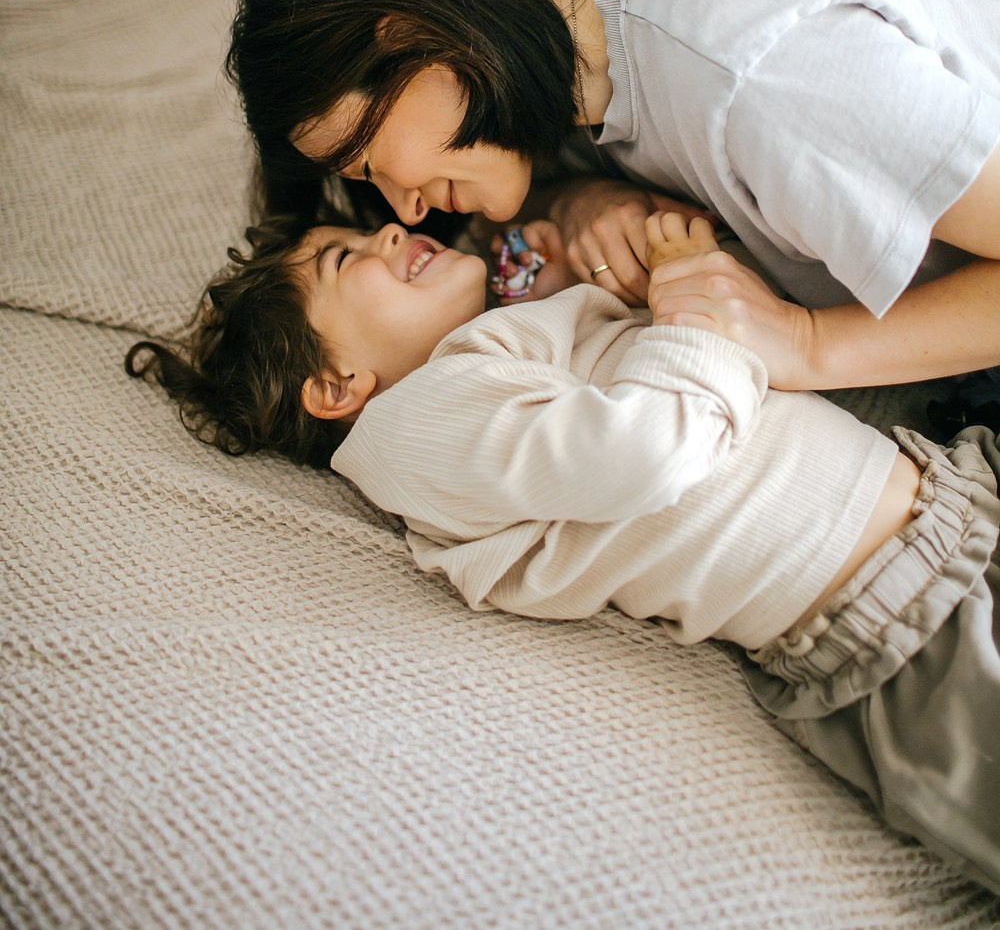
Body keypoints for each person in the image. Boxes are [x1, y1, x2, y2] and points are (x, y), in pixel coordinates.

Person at [127, 210, 1000, 896]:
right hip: (907, 627)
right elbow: (649, 449)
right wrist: (691, 303)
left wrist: (573, 283)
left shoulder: (482, 357)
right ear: (335, 386)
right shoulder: (414, 427)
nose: (387, 229)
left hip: (951, 506)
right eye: (343, 258)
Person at [225, 0, 1000, 395]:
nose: (403, 209)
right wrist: (582, 199)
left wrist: (808, 344)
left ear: (407, 39)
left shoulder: (750, 66)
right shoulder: (566, 32)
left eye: (367, 164)